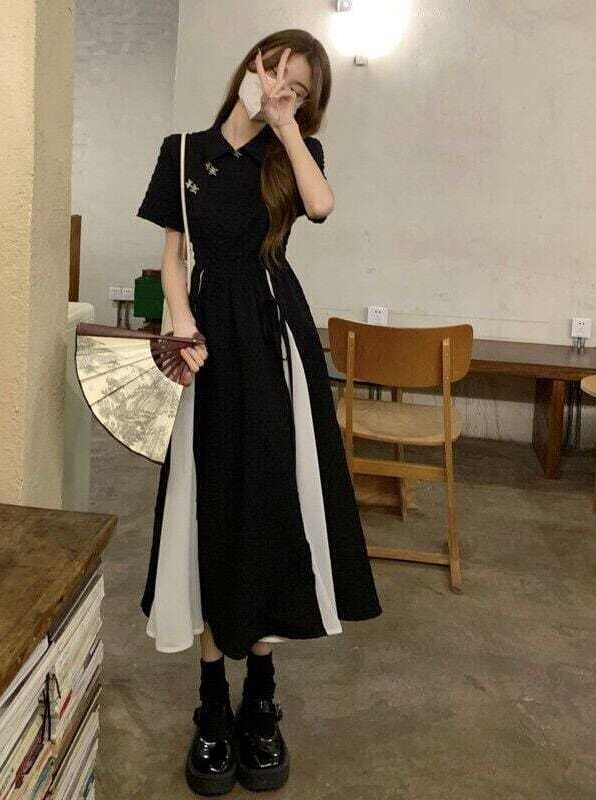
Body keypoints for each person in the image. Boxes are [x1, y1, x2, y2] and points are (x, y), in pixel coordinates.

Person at [135, 28, 382, 795]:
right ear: (254, 62)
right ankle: (213, 703)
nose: (284, 90)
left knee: (272, 505)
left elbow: (322, 204)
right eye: (279, 74)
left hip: (275, 338)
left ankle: (261, 700)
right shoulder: (183, 153)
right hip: (208, 340)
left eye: (301, 91)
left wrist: (285, 126)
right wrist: (179, 319)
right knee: (213, 504)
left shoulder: (290, 155)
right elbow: (172, 257)